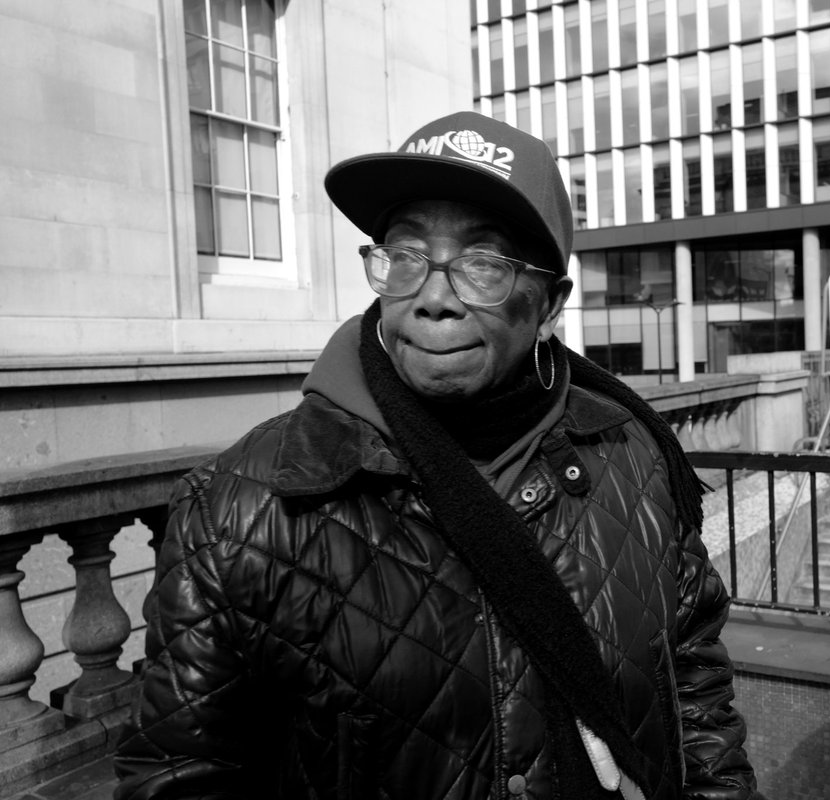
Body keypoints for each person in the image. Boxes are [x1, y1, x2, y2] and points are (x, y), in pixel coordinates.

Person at [113, 111, 766, 799]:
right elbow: (176, 777)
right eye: (406, 256)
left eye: (482, 263)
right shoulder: (242, 506)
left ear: (548, 305)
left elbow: (694, 687)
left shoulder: (631, 455)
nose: (431, 299)